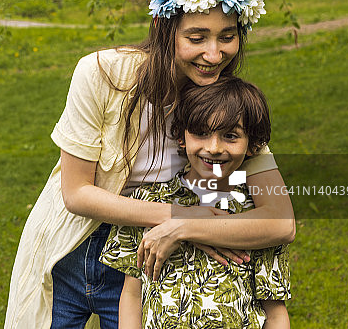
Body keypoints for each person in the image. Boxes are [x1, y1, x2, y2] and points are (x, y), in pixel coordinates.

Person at [4, 0, 295, 329]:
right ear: (163, 27)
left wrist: (187, 229)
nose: (214, 54)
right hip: (71, 251)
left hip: (152, 265)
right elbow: (76, 193)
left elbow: (281, 220)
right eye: (196, 37)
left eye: (227, 36)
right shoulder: (102, 74)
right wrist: (184, 217)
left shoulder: (221, 107)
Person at [100, 76, 291, 329]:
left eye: (231, 136)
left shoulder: (256, 216)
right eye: (201, 133)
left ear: (253, 145)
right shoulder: (147, 201)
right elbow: (132, 295)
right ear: (181, 137)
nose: (213, 147)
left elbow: (275, 313)